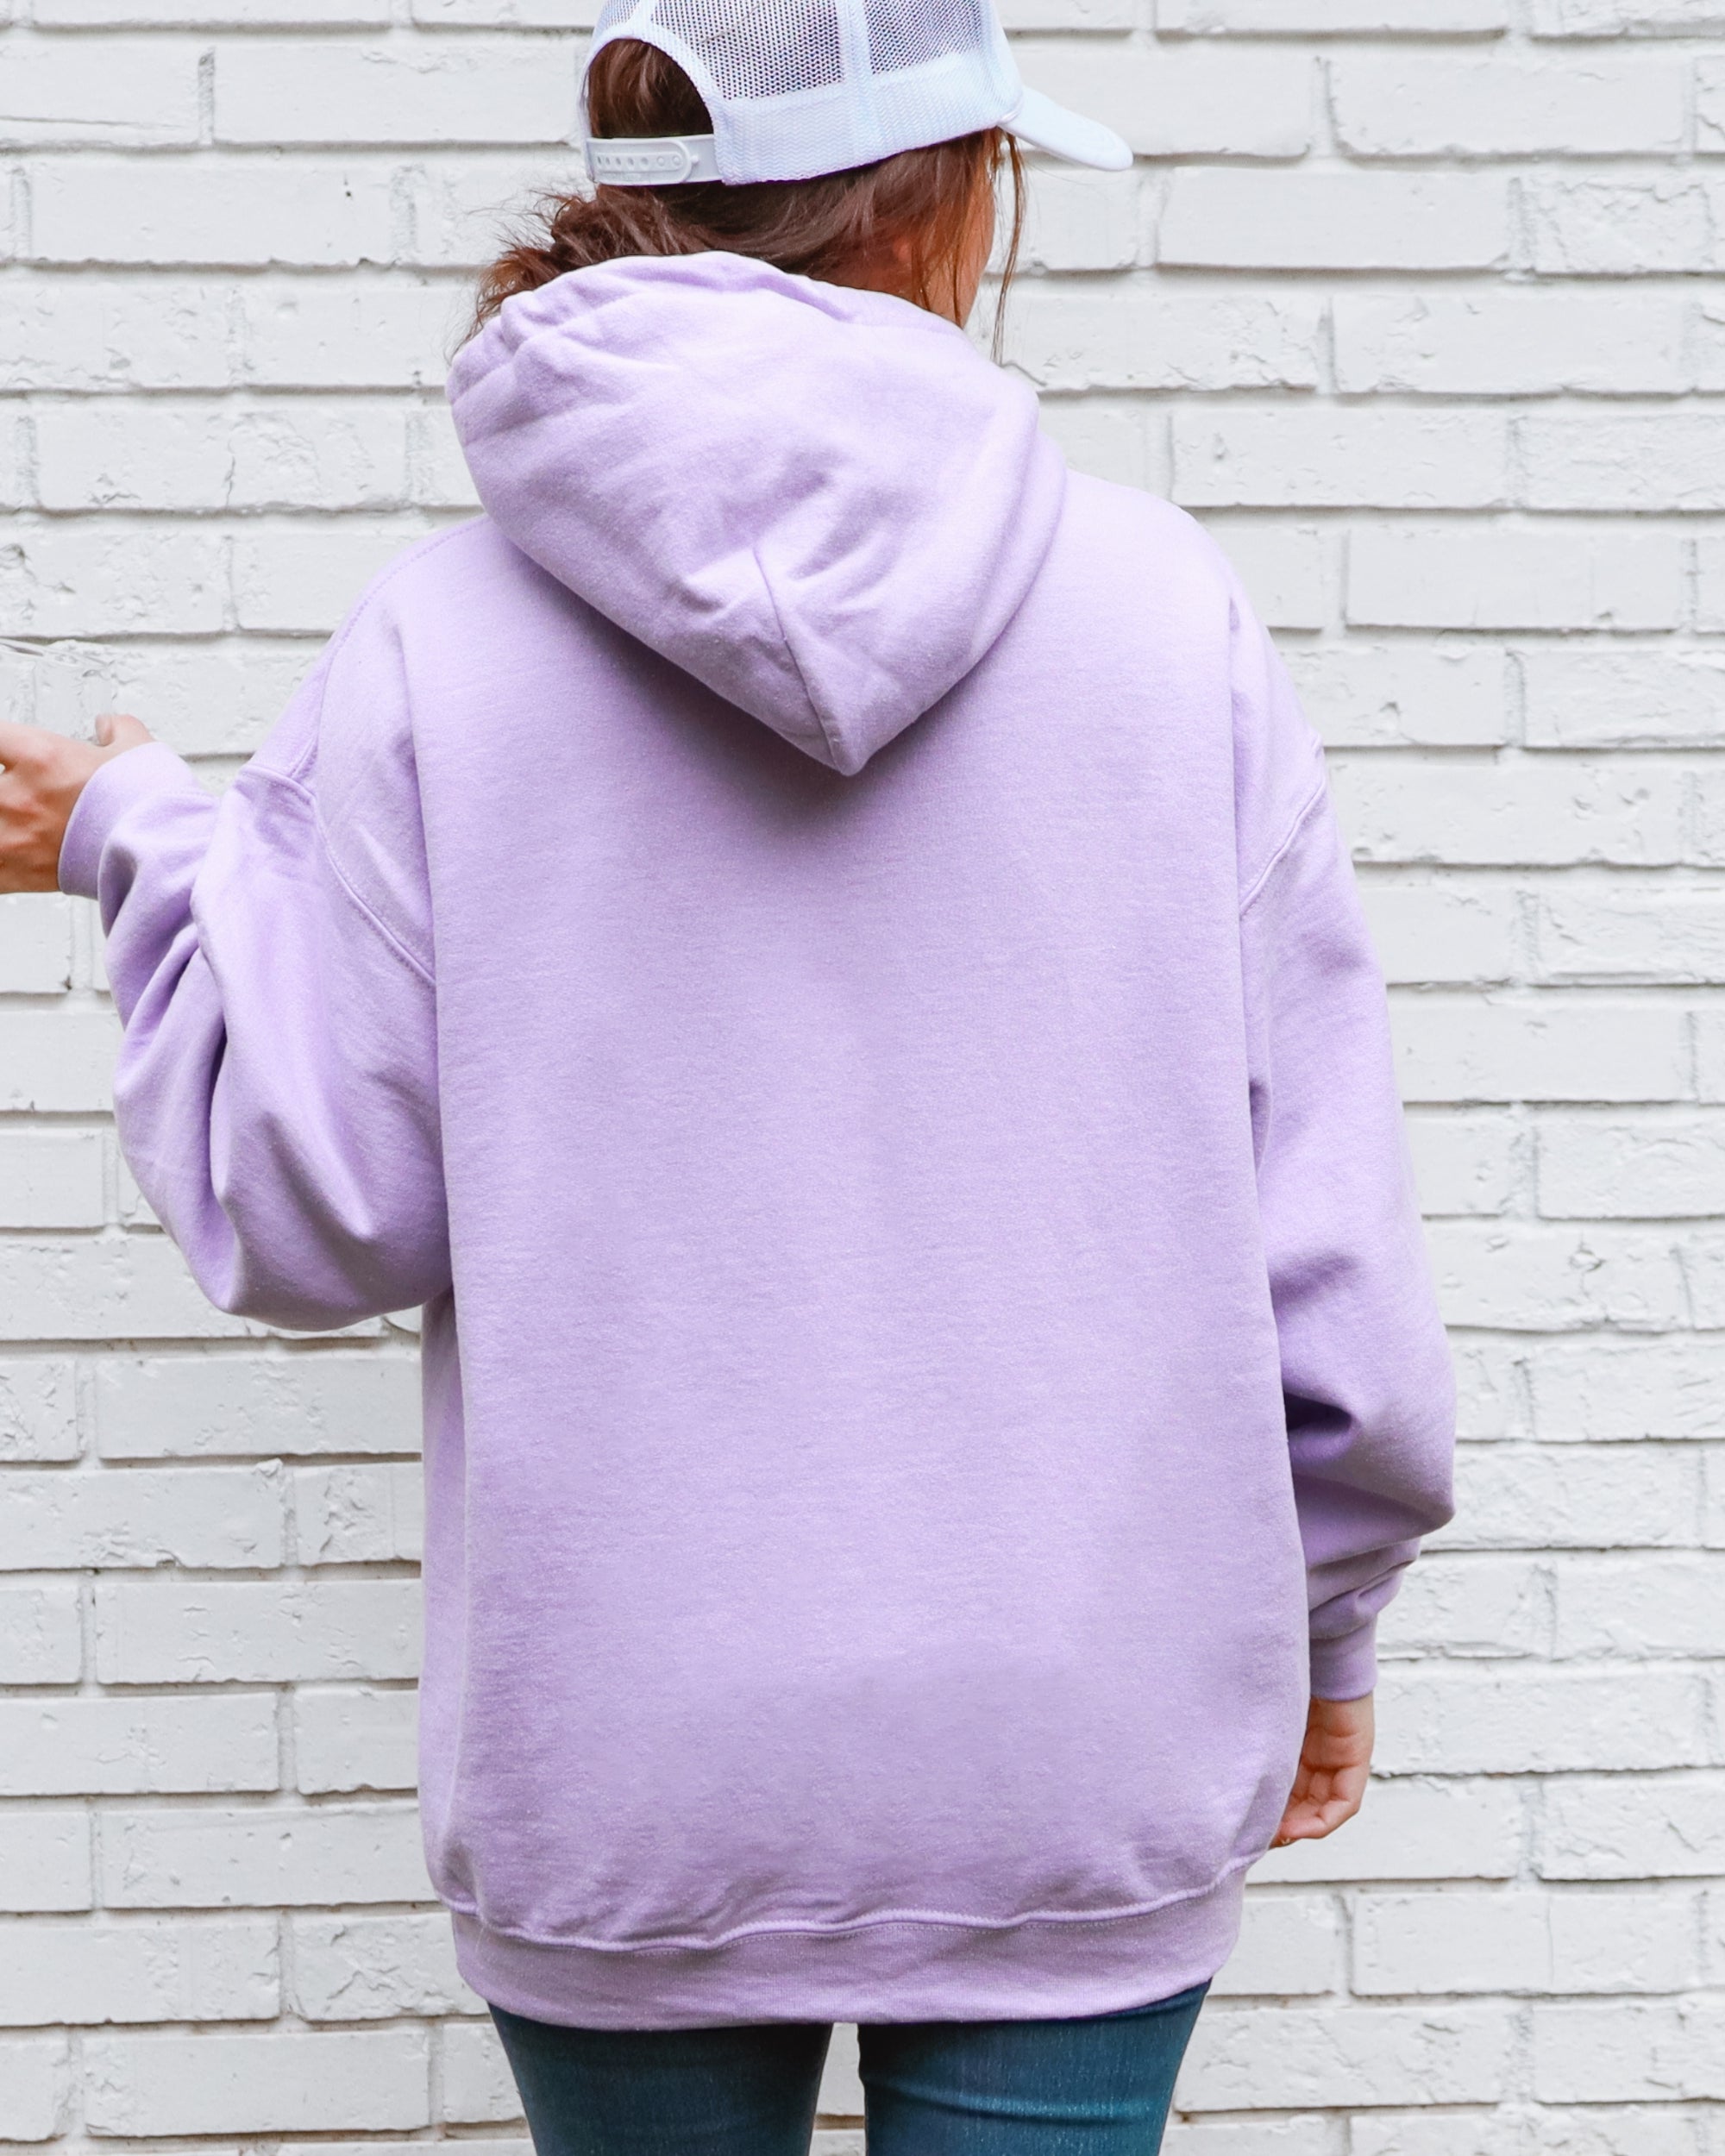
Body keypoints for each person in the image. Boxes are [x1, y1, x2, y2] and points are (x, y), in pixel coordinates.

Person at [0, 0, 1456, 2147]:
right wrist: (1330, 1625)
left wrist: (138, 833)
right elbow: (1320, 1238)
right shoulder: (1169, 617)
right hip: (1077, 1742)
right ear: (962, 200)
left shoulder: (437, 638)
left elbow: (315, 1203)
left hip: (635, 1757)